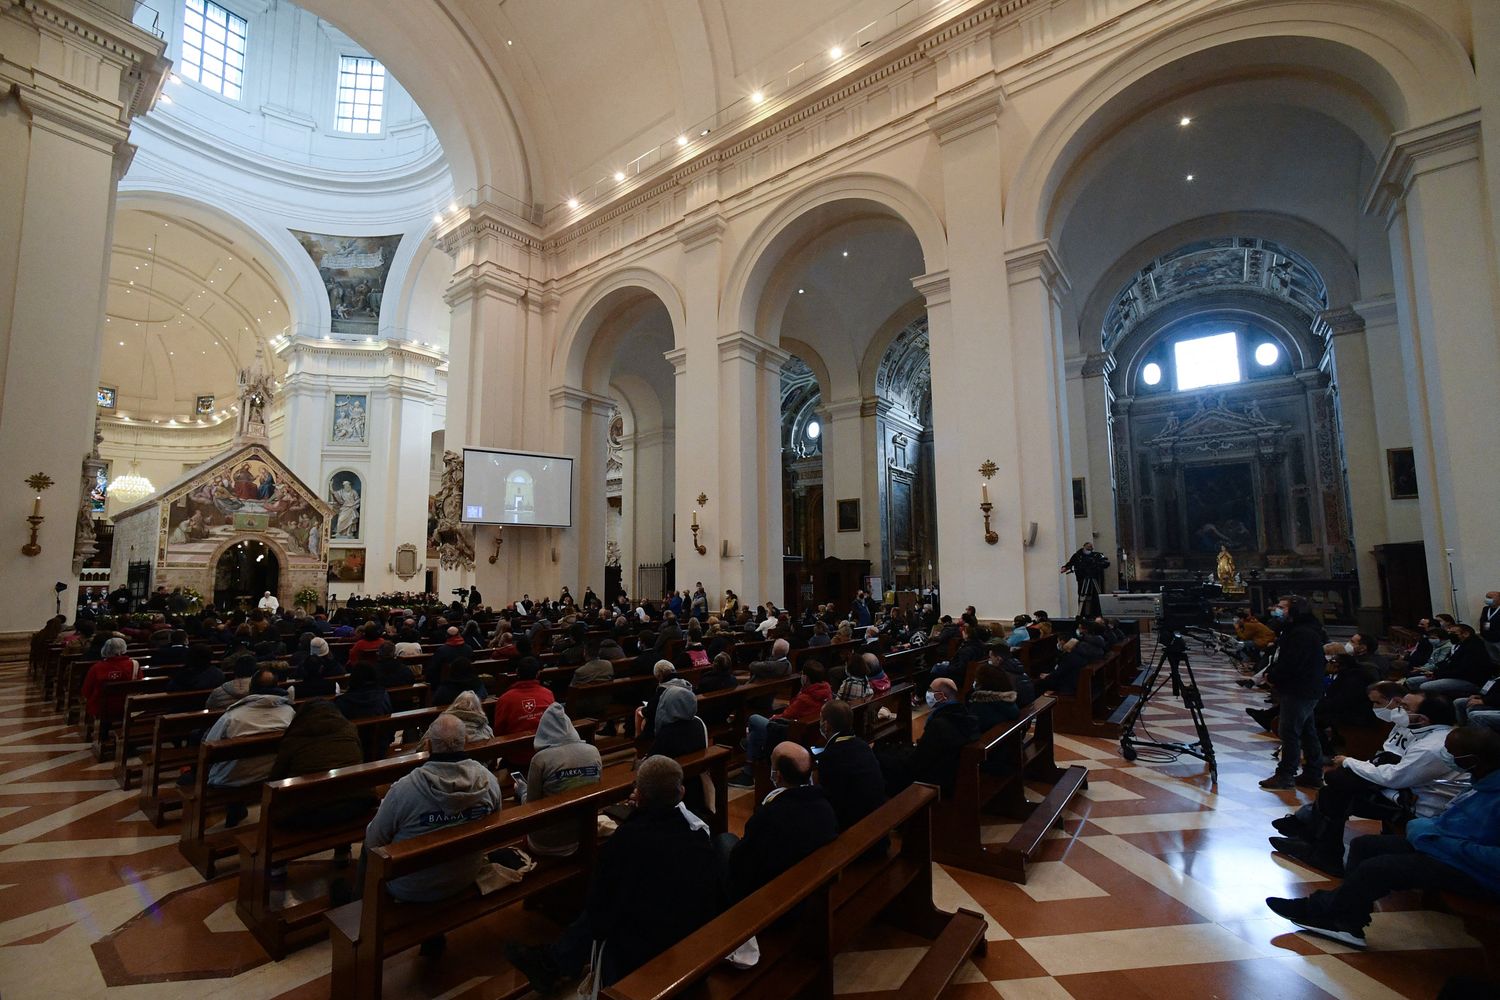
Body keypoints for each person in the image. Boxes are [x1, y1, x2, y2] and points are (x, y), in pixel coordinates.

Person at [1266, 725, 1500, 948]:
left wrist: (1432, 838)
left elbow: (1492, 857)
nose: (1446, 757)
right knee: (1364, 845)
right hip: (1445, 844)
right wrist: (1430, 833)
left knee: (1380, 868)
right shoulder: (1482, 781)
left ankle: (1325, 911)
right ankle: (1347, 919)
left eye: (1451, 753)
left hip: (1474, 868)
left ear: (1473, 759)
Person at [506, 755, 725, 993]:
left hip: (644, 951)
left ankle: (553, 962)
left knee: (603, 910)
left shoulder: (626, 840)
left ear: (639, 794)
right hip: (692, 934)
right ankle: (553, 961)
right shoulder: (698, 834)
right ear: (681, 792)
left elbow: (600, 913)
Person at [1269, 692, 1463, 875]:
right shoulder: (1426, 732)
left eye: (1405, 707)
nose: (1398, 710)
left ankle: (1324, 853)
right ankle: (1313, 843)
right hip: (1406, 790)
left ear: (1422, 719)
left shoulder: (1433, 748)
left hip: (1419, 806)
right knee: (1337, 788)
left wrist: (1350, 762)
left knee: (1338, 791)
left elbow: (1393, 777)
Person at [362, 714, 503, 917]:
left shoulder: (404, 790)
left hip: (410, 887)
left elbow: (373, 841)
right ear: (464, 742)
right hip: (465, 874)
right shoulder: (488, 781)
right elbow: (493, 828)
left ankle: (360, 912)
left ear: (428, 745)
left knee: (370, 852)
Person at [723, 743, 838, 901]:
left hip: (776, 895)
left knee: (725, 841)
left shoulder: (770, 815)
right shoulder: (824, 804)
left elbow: (742, 861)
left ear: (777, 776)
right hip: (812, 877)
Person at [203, 671, 295, 825]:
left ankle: (235, 807)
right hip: (273, 772)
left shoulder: (233, 716)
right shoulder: (289, 712)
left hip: (233, 779)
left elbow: (208, 746)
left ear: (251, 688)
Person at [1260, 595, 1329, 790]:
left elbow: (1292, 663)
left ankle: (1285, 774)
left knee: (1289, 731)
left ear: (1296, 610)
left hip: (1300, 688)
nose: (1277, 610)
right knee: (1307, 732)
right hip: (1306, 687)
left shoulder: (1302, 633)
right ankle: (1313, 773)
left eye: (1282, 607)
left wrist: (1274, 676)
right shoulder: (1301, 630)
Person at [876, 678, 981, 798]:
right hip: (947, 772)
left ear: (941, 696)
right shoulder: (964, 715)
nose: (928, 693)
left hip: (934, 780)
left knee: (881, 761)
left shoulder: (940, 725)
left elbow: (915, 764)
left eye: (931, 690)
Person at [524, 703, 604, 857]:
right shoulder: (593, 752)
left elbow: (531, 806)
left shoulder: (540, 759)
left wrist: (521, 791)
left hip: (547, 841)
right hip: (585, 832)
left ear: (543, 730)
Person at [733, 665, 833, 787]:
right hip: (809, 732)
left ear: (806, 678)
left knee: (754, 719)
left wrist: (773, 717)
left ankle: (748, 772)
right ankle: (748, 767)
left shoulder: (805, 698)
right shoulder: (826, 692)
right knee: (755, 734)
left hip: (791, 733)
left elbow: (786, 716)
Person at [815, 701, 888, 832]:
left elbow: (831, 799)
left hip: (855, 827)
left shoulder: (830, 756)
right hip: (877, 817)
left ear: (826, 725)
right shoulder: (862, 745)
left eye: (820, 719)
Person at [492, 658, 554, 763]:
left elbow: (499, 731)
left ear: (517, 672)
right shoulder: (548, 694)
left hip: (516, 756)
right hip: (545, 751)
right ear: (538, 673)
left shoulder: (505, 699)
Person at [81, 636, 142, 726]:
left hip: (102, 707)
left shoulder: (97, 668)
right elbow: (139, 684)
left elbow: (86, 691)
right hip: (126, 705)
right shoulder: (134, 664)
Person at [421, 690, 493, 747]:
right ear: (478, 708)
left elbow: (421, 746)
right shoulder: (486, 729)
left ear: (455, 704)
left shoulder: (439, 723)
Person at [967, 660, 1020, 730]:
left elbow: (972, 728)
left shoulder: (980, 705)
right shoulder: (1008, 701)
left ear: (983, 683)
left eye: (977, 679)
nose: (975, 681)